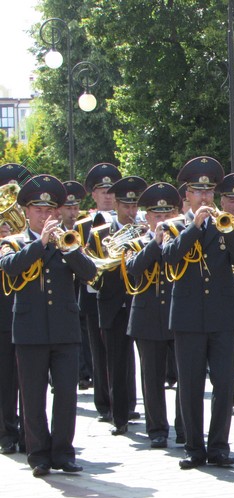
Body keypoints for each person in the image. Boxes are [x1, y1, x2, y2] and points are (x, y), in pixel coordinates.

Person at [0, 175, 97, 477]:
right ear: (26, 212)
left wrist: (69, 251)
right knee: (32, 395)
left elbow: (90, 273)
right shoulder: (12, 242)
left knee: (66, 395)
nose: (45, 216)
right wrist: (40, 244)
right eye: (38, 210)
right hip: (29, 331)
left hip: (65, 330)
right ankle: (39, 454)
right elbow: (10, 267)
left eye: (49, 210)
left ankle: (63, 453)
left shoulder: (68, 241)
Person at [163, 156, 234, 469]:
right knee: (190, 385)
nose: (205, 198)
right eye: (198, 192)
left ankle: (219, 446)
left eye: (209, 192)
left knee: (225, 385)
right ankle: (194, 447)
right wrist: (194, 227)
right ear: (186, 195)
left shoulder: (226, 224)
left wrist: (226, 230)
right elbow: (170, 259)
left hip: (223, 317)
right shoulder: (173, 226)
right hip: (188, 318)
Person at [125, 182, 184, 448]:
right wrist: (156, 244)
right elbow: (134, 269)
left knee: (186, 374)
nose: (162, 221)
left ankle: (185, 427)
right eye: (157, 216)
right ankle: (157, 429)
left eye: (167, 215)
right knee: (152, 378)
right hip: (147, 318)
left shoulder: (184, 243)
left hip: (178, 315)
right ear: (147, 217)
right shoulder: (135, 243)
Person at [90, 175, 147, 436]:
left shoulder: (146, 230)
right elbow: (92, 275)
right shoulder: (101, 233)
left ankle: (154, 416)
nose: (131, 212)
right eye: (126, 206)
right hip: (113, 305)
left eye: (134, 206)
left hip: (142, 303)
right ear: (116, 204)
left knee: (148, 363)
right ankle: (119, 416)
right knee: (116, 363)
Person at [82, 162, 121, 422]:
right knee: (99, 350)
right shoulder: (83, 225)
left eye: (111, 190)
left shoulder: (130, 221)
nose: (107, 195)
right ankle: (103, 403)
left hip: (121, 293)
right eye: (102, 190)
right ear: (93, 195)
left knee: (121, 354)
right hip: (92, 295)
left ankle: (124, 403)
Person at [0, 163, 30, 456]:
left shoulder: (22, 233)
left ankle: (27, 432)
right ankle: (7, 432)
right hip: (2, 315)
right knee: (6, 378)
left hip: (25, 313)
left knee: (28, 381)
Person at [61, 181, 94, 390]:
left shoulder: (86, 228)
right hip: (64, 285)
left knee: (83, 327)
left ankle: (84, 371)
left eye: (75, 208)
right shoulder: (56, 230)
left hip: (81, 283)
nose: (73, 212)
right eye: (69, 208)